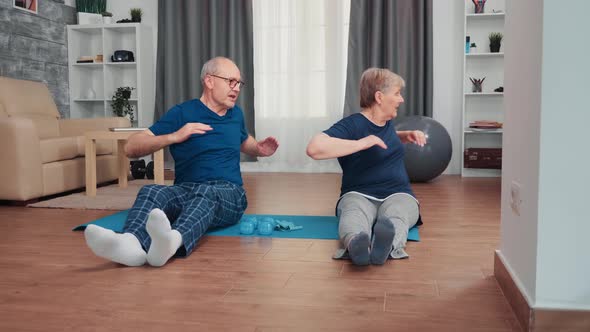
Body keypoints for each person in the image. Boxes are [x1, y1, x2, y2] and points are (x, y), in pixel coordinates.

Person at [84, 57, 279, 267]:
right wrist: (174, 136)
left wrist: (258, 148)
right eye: (231, 81)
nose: (237, 88)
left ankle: (172, 241)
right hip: (186, 190)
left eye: (239, 83)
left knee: (206, 192)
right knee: (151, 191)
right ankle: (130, 244)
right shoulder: (182, 113)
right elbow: (131, 147)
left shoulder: (236, 114)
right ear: (210, 81)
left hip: (229, 193)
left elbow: (243, 139)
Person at [306, 68, 425, 266]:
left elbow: (383, 138)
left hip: (398, 194)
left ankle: (384, 246)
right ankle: (357, 245)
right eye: (396, 94)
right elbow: (314, 149)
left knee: (397, 215)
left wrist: (404, 135)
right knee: (354, 214)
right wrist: (362, 143)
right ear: (379, 97)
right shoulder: (352, 125)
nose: (401, 99)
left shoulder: (386, 123)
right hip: (359, 194)